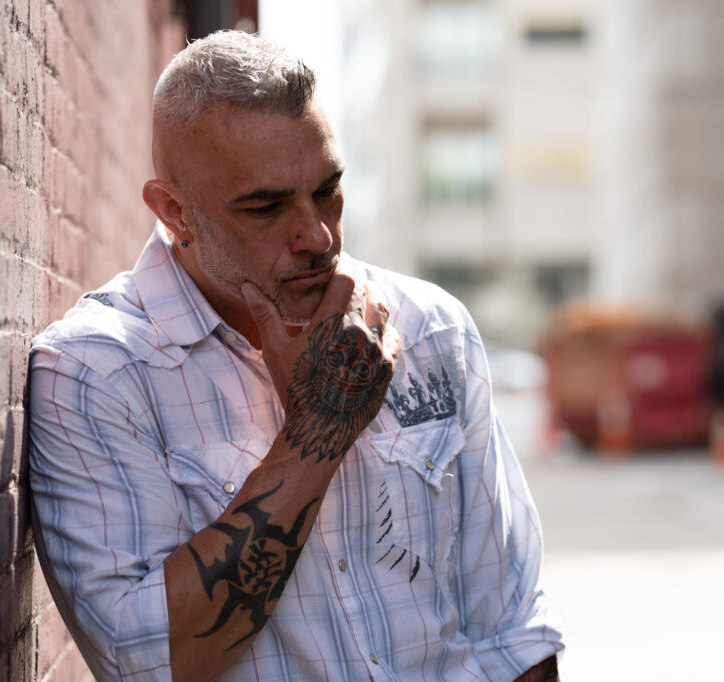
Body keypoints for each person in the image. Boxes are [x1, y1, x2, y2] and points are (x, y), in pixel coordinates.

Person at [28, 30, 563, 681]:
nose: (317, 233)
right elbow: (146, 660)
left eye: (328, 188)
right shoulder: (96, 374)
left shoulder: (431, 328)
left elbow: (515, 631)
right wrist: (320, 428)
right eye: (266, 205)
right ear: (175, 211)